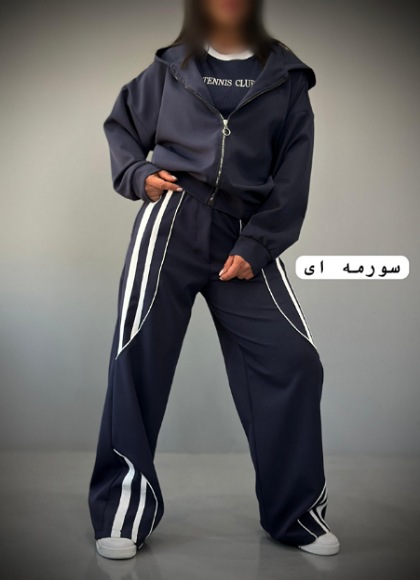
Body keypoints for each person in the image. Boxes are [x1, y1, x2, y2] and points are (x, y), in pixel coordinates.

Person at [89, 0, 340, 560]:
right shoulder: (171, 66)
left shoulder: (287, 77)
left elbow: (293, 174)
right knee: (137, 358)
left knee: (293, 360)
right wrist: (137, 174)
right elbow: (122, 125)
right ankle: (122, 513)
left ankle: (296, 515)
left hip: (246, 232)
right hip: (172, 221)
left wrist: (259, 244)